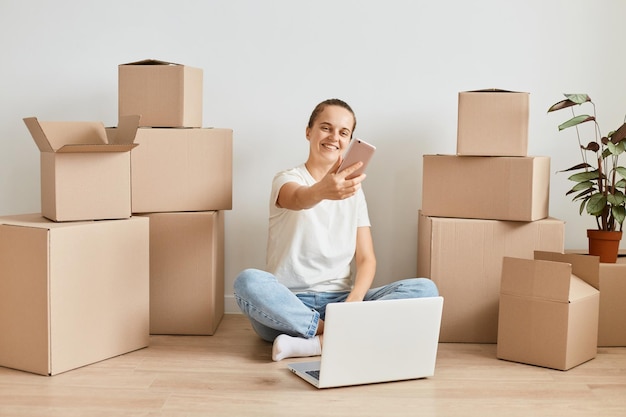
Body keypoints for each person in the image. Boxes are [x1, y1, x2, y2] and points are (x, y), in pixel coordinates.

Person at [234, 98, 439, 361]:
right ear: (309, 131)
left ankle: (314, 343)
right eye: (326, 128)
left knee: (425, 289)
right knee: (248, 281)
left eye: (343, 133)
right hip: (288, 307)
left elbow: (366, 259)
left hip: (340, 302)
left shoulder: (354, 191)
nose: (334, 137)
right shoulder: (287, 179)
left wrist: (354, 301)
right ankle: (333, 333)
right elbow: (298, 198)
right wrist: (324, 190)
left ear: (350, 140)